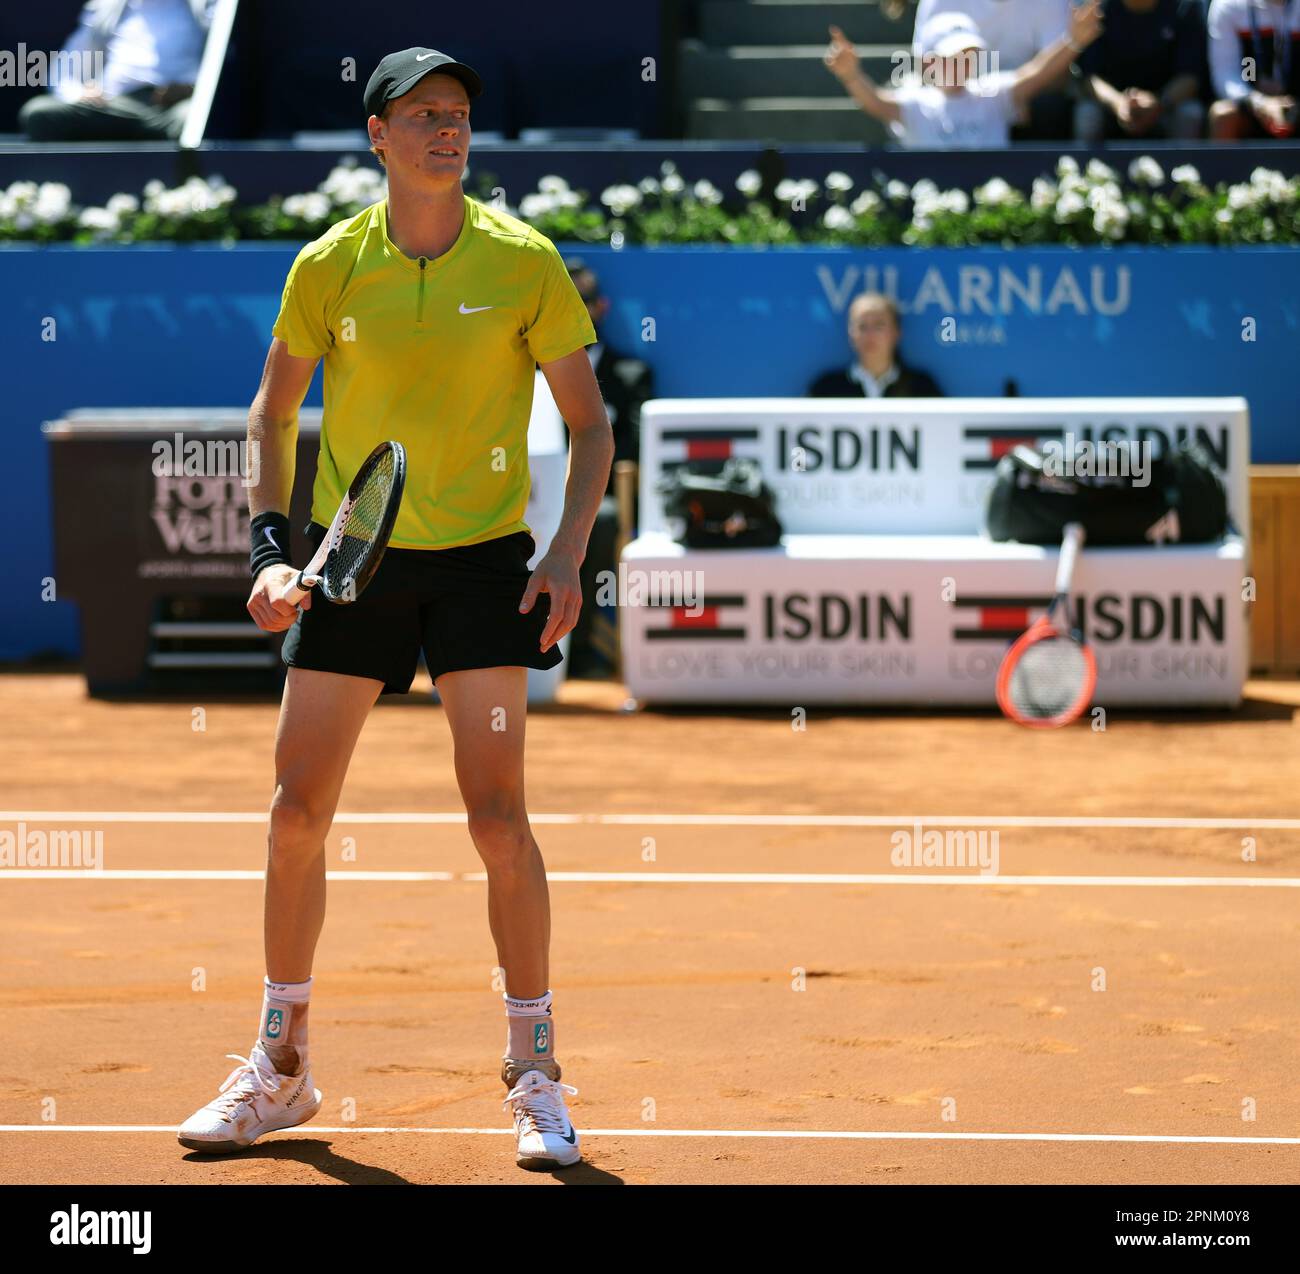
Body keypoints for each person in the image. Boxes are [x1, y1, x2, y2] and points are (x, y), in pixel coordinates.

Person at [176, 47, 613, 1172]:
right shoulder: (328, 266)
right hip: (351, 565)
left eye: (459, 114)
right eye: (423, 115)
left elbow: (593, 423)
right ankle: (280, 1066)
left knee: (497, 818)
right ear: (377, 135)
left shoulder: (524, 262)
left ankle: (534, 1075)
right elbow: (270, 416)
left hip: (482, 567)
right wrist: (275, 553)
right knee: (294, 811)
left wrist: (566, 554)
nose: (447, 130)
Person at [825, 4, 1104, 148]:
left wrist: (1073, 41)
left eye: (967, 56)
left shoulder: (994, 94)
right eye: (951, 57)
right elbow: (874, 102)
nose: (961, 65)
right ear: (929, 61)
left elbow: (1037, 73)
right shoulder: (915, 102)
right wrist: (851, 76)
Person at [563, 257, 654, 678]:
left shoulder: (631, 374)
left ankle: (578, 651)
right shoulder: (522, 368)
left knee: (604, 519)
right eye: (566, 299)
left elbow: (634, 449)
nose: (576, 309)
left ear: (602, 307)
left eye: (583, 300)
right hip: (524, 492)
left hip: (596, 498)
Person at [19, 0, 215, 142]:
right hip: (115, 106)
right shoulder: (108, 7)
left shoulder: (205, 8)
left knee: (196, 120)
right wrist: (78, 93)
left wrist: (193, 89)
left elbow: (224, 60)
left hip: (172, 111)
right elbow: (64, 68)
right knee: (39, 114)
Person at [911, 0, 1074, 137]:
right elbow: (923, 72)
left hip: (1027, 102)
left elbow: (1056, 76)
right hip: (953, 100)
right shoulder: (937, 4)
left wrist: (1016, 96)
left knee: (1050, 107)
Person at [1075, 0, 1206, 140]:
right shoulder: (1097, 8)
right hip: (1111, 108)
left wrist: (1160, 103)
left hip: (1166, 107)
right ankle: (1083, 163)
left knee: (1190, 112)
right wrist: (1118, 103)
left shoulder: (1185, 6)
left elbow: (1190, 77)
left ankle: (1186, 162)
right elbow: (1090, 77)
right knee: (1087, 112)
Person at [809, 293, 944, 398]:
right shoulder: (827, 388)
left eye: (879, 326)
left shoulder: (921, 387)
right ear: (850, 333)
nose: (870, 334)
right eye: (862, 326)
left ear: (896, 332)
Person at [1207, 0, 1300, 138]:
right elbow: (1225, 75)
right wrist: (1260, 103)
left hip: (1294, 103)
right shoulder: (1229, 5)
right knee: (1223, 114)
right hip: (1251, 106)